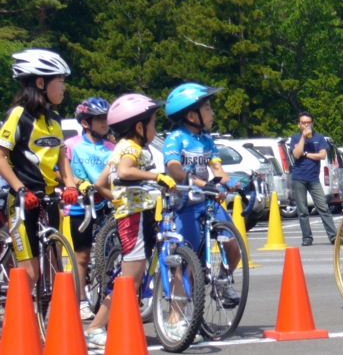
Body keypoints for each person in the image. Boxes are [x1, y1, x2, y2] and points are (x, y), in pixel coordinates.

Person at [85, 93, 176, 350]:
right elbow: (125, 171)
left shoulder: (121, 146)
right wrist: (156, 176)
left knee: (131, 277)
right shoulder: (131, 148)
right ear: (139, 126)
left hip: (136, 214)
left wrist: (119, 199)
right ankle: (94, 329)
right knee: (129, 280)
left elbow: (101, 183)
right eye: (153, 124)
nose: (155, 129)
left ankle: (114, 324)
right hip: (134, 218)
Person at [0, 49, 79, 292]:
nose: (64, 87)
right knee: (31, 272)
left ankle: (49, 323)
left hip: (47, 199)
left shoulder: (54, 120)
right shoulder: (18, 115)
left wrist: (71, 186)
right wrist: (20, 189)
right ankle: (15, 325)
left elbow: (61, 159)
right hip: (23, 200)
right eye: (61, 80)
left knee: (56, 268)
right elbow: (1, 157)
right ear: (41, 82)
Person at [163, 82, 241, 310]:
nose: (212, 112)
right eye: (207, 108)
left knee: (233, 243)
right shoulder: (176, 138)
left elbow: (217, 169)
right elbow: (174, 169)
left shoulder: (207, 140)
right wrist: (199, 182)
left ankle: (223, 281)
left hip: (206, 200)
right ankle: (178, 314)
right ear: (191, 114)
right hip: (185, 204)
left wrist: (231, 182)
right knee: (187, 260)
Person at [65, 97, 115, 320]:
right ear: (86, 122)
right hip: (81, 206)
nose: (105, 123)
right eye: (100, 119)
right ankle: (80, 300)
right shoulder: (71, 145)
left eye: (107, 118)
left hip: (106, 204)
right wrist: (77, 182)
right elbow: (61, 171)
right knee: (82, 257)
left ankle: (109, 297)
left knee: (112, 253)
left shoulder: (112, 147)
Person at [290, 112, 337, 246]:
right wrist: (303, 139)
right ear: (299, 124)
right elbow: (297, 154)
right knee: (302, 210)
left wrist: (307, 153)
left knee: (323, 207)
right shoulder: (295, 138)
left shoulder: (319, 138)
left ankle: (334, 236)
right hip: (299, 177)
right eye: (303, 123)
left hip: (314, 178)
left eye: (308, 122)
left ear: (312, 123)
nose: (306, 125)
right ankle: (307, 237)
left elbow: (322, 155)